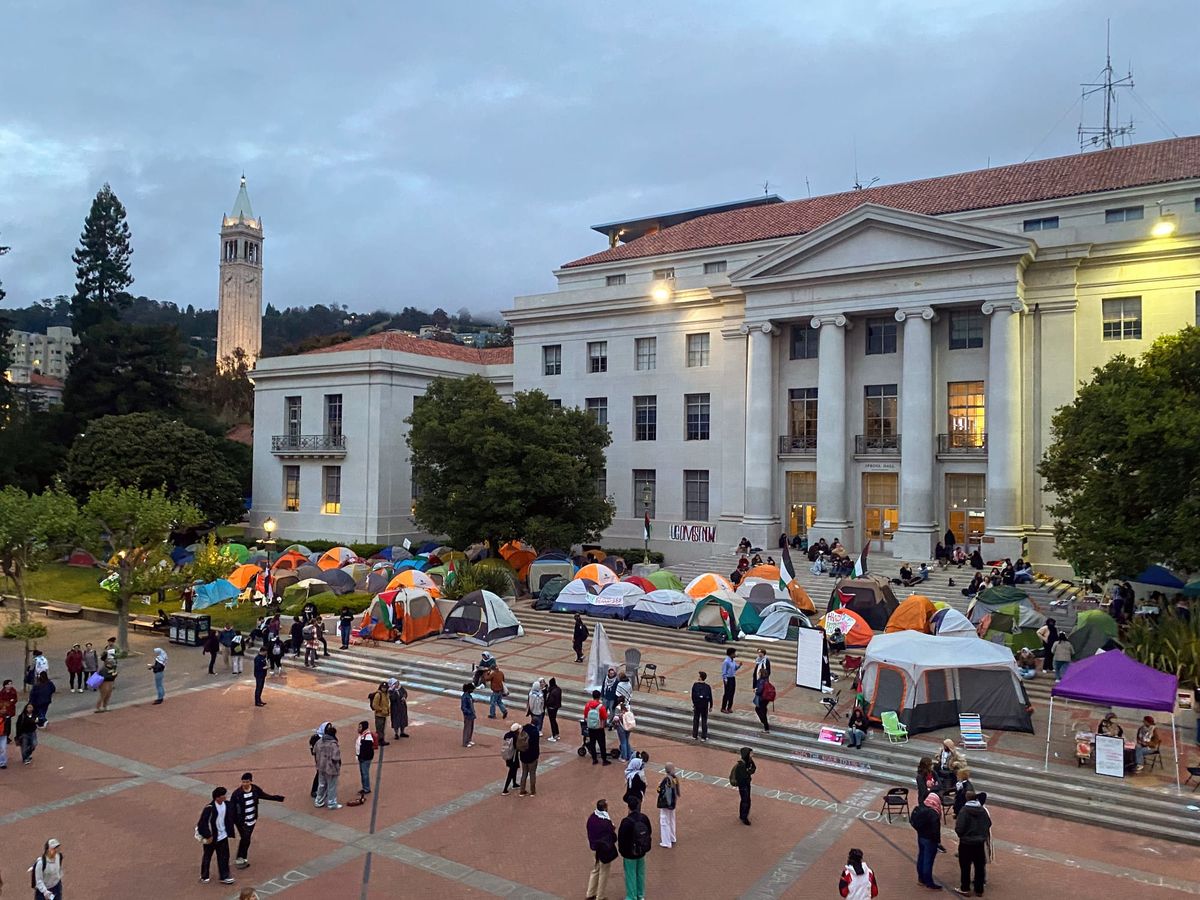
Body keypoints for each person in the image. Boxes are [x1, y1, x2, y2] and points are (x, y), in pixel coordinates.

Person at [230, 772, 284, 869]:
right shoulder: (237, 794)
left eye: (247, 782)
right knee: (245, 838)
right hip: (242, 821)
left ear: (251, 781)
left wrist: (276, 798)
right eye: (243, 782)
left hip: (252, 819)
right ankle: (240, 858)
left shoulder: (255, 789)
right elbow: (232, 808)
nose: (245, 784)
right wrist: (233, 820)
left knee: (246, 838)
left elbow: (264, 795)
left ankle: (242, 857)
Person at [197, 786, 237, 884]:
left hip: (223, 836)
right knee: (207, 856)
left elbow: (232, 817)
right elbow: (202, 823)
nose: (225, 797)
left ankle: (224, 876)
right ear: (217, 797)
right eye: (223, 795)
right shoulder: (209, 808)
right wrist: (208, 836)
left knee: (224, 856)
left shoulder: (227, 805)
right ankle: (204, 876)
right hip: (212, 837)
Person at [954, 790, 990, 897]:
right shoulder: (982, 810)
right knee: (979, 866)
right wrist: (982, 835)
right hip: (979, 843)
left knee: (965, 866)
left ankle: (965, 888)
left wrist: (962, 835)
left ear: (967, 798)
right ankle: (979, 889)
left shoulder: (964, 811)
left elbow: (959, 828)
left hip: (966, 843)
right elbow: (988, 823)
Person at [618, 797, 652, 900]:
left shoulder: (626, 822)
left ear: (629, 807)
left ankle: (631, 896)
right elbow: (649, 832)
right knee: (640, 873)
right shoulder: (644, 818)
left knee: (630, 874)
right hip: (641, 850)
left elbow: (621, 838)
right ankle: (640, 895)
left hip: (629, 853)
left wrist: (622, 851)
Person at [586, 798, 619, 900]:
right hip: (604, 850)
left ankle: (590, 893)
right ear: (605, 808)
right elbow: (613, 837)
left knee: (595, 869)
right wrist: (613, 829)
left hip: (594, 848)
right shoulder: (605, 822)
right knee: (604, 872)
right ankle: (600, 896)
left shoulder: (591, 818)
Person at [911, 792, 943, 890]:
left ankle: (920, 878)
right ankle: (928, 881)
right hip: (930, 839)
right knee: (928, 860)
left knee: (921, 856)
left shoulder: (920, 808)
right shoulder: (934, 814)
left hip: (921, 836)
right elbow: (935, 830)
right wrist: (937, 842)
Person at [313, 724, 343, 810]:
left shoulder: (319, 742)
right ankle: (332, 803)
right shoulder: (333, 744)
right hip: (331, 768)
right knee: (332, 786)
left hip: (321, 767)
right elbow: (336, 757)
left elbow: (314, 751)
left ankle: (318, 801)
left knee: (321, 784)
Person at [656, 763, 681, 848]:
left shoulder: (666, 779)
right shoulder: (675, 778)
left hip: (665, 804)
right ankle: (672, 837)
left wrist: (659, 785)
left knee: (664, 821)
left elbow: (659, 790)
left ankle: (666, 842)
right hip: (673, 803)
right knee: (671, 820)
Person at [584, 690, 611, 765]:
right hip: (599, 727)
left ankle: (594, 759)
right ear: (599, 697)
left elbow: (585, 715)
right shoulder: (601, 707)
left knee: (592, 743)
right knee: (602, 744)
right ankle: (604, 760)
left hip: (590, 727)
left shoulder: (588, 705)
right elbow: (605, 717)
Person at [730, 746, 756, 825]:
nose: (752, 754)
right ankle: (744, 817)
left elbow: (754, 768)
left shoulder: (749, 760)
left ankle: (744, 815)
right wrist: (748, 772)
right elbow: (744, 776)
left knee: (747, 800)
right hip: (743, 785)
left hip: (747, 783)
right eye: (751, 753)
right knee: (745, 800)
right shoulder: (741, 764)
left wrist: (749, 771)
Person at [518, 717, 540, 796]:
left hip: (523, 755)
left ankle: (522, 790)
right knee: (532, 774)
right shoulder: (535, 732)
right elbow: (536, 746)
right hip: (532, 756)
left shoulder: (524, 729)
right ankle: (532, 791)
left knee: (524, 773)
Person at [95, 636, 118, 712]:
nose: (109, 643)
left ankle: (105, 706)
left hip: (110, 682)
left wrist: (114, 674)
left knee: (108, 694)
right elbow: (102, 676)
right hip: (104, 682)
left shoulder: (115, 648)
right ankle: (99, 707)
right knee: (103, 694)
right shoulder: (103, 669)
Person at [691, 671, 713, 741]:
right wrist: (711, 706)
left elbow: (693, 696)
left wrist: (694, 704)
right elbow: (710, 697)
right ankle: (704, 736)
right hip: (704, 706)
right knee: (704, 721)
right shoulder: (707, 687)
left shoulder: (695, 685)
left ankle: (695, 735)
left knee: (696, 720)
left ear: (700, 677)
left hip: (697, 705)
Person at [355, 721, 376, 794]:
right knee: (363, 773)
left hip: (365, 759)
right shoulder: (363, 735)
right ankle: (365, 787)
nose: (358, 728)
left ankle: (366, 788)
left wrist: (360, 757)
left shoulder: (367, 737)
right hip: (362, 757)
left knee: (365, 773)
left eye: (360, 727)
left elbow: (366, 750)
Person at [0, 678, 16, 768]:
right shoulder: (2, 693)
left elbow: (14, 699)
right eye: (9, 684)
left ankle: (2, 763)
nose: (10, 685)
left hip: (3, 734)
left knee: (3, 748)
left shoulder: (13, 692)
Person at [501, 723, 521, 794]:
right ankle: (505, 789)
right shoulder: (515, 737)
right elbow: (517, 747)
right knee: (511, 772)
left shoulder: (507, 735)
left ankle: (514, 783)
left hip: (508, 755)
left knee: (514, 770)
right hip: (513, 757)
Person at [369, 681, 391, 745]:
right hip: (379, 715)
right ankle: (379, 741)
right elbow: (374, 705)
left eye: (385, 687)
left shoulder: (386, 694)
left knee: (382, 728)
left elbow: (386, 703)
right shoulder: (378, 695)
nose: (384, 688)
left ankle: (381, 739)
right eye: (383, 687)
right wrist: (381, 710)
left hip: (384, 715)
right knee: (379, 728)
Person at [720, 648, 741, 713]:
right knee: (727, 694)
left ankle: (729, 707)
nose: (735, 655)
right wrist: (725, 680)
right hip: (728, 679)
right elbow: (724, 672)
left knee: (732, 693)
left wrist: (739, 666)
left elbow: (735, 668)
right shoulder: (726, 662)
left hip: (732, 678)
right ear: (731, 654)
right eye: (734, 653)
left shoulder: (733, 661)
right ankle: (723, 708)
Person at [545, 677, 562, 742]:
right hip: (556, 707)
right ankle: (557, 734)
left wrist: (546, 703)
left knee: (552, 721)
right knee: (554, 720)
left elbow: (550, 701)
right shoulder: (558, 689)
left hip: (551, 708)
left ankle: (554, 735)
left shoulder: (553, 692)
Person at [461, 682, 477, 747]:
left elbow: (471, 701)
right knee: (467, 728)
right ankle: (465, 742)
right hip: (468, 715)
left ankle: (469, 739)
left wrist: (473, 700)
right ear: (468, 689)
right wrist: (468, 712)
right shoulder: (465, 697)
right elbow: (463, 707)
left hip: (472, 714)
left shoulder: (469, 696)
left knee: (471, 728)